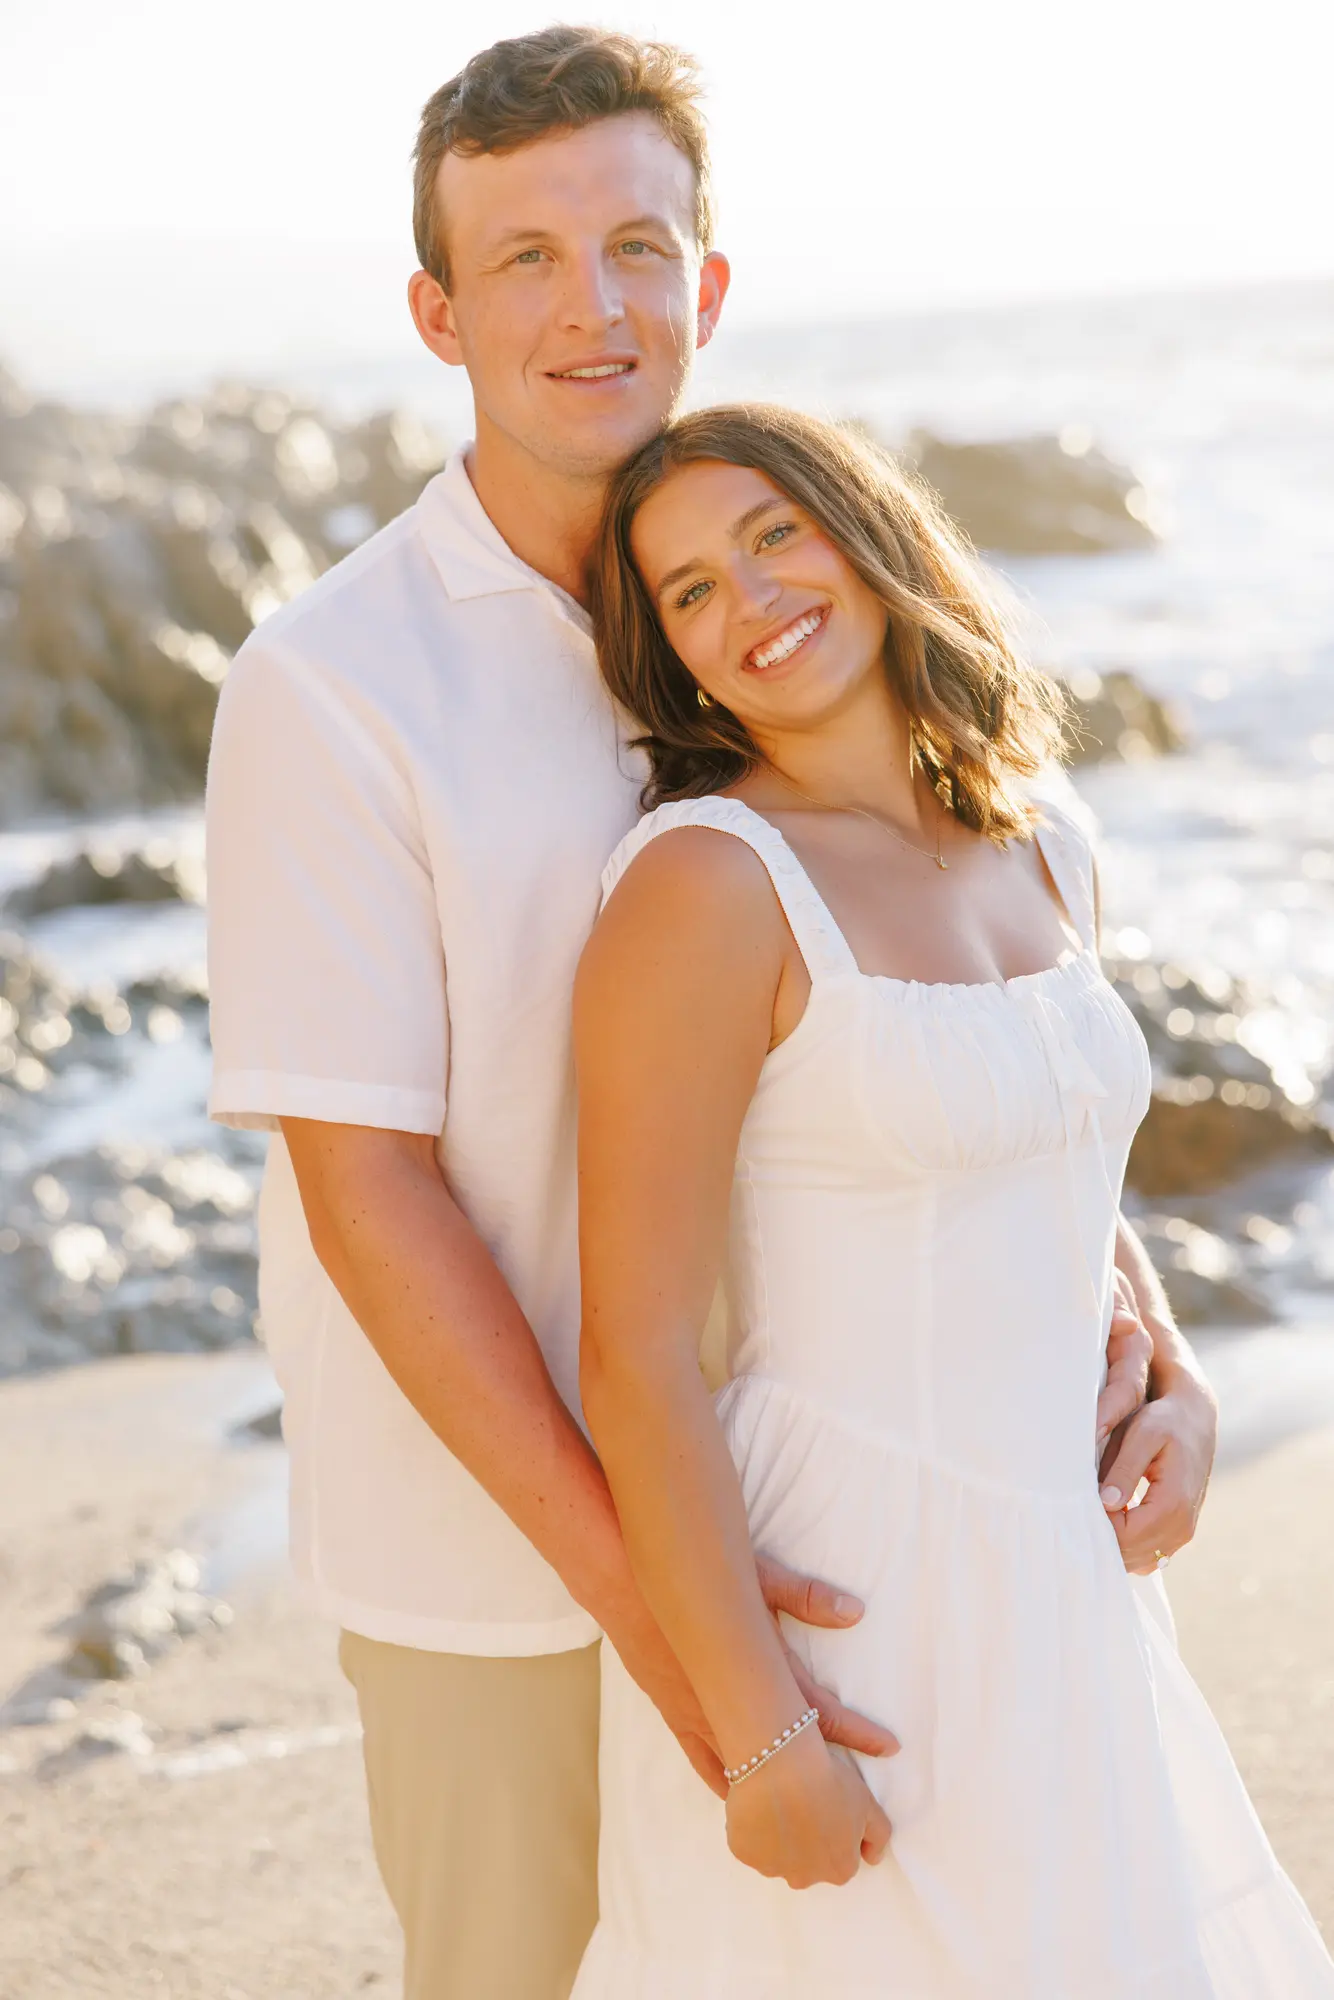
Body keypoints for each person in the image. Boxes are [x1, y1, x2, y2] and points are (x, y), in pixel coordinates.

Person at [205, 27, 1214, 2000]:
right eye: (524, 258)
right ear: (437, 309)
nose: (592, 305)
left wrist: (1133, 1325)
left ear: (708, 281)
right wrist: (669, 1618)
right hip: (505, 1566)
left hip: (854, 1528)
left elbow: (936, 1028)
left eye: (637, 246)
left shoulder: (762, 588)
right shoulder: (333, 686)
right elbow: (366, 1192)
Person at [569, 402, 1334, 1997]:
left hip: (1060, 1577)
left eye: (771, 534)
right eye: (689, 590)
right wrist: (757, 1725)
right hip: (849, 1606)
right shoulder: (704, 885)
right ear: (670, 656)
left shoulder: (1041, 834)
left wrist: (1173, 1378)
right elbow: (632, 1346)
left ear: (866, 529)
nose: (749, 599)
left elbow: (1049, 1154)